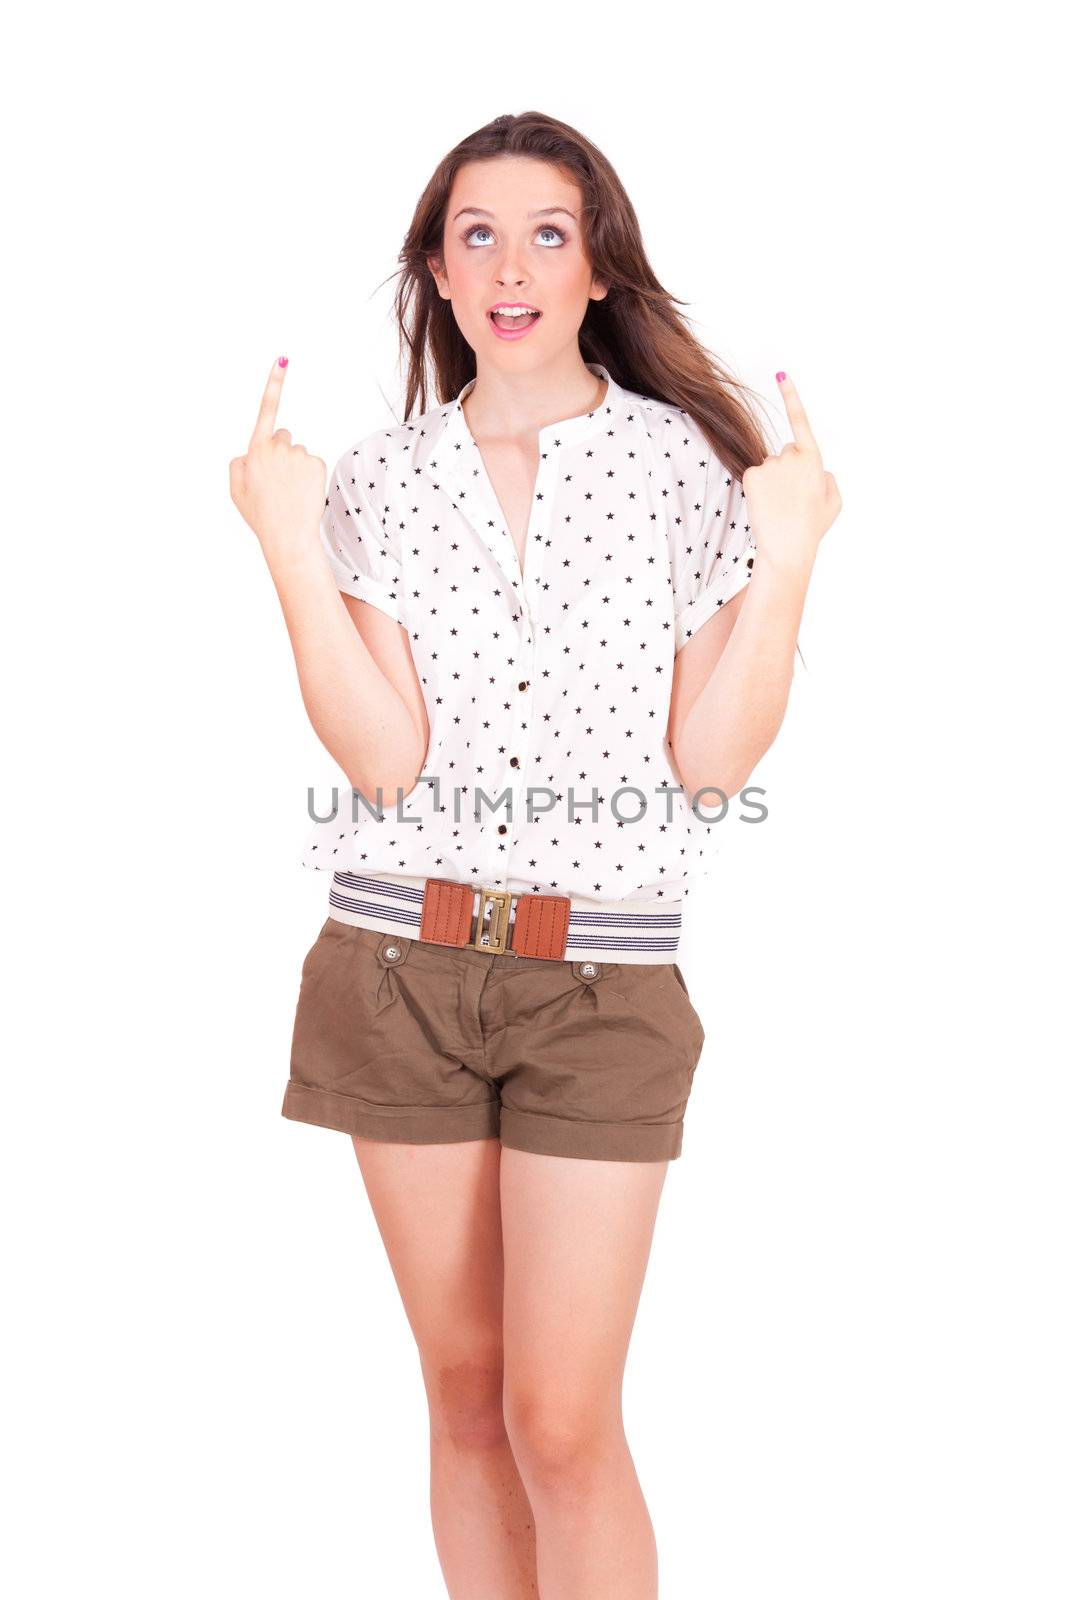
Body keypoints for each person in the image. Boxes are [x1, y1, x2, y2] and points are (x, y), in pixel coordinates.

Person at [229, 109, 841, 1600]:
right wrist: (290, 548)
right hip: (395, 967)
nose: (510, 264)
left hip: (603, 986)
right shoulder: (376, 480)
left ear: (598, 269)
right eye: (476, 234)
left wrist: (796, 550)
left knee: (562, 1423)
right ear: (437, 272)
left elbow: (709, 768)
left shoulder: (691, 472)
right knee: (463, 1398)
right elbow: (381, 760)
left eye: (547, 233)